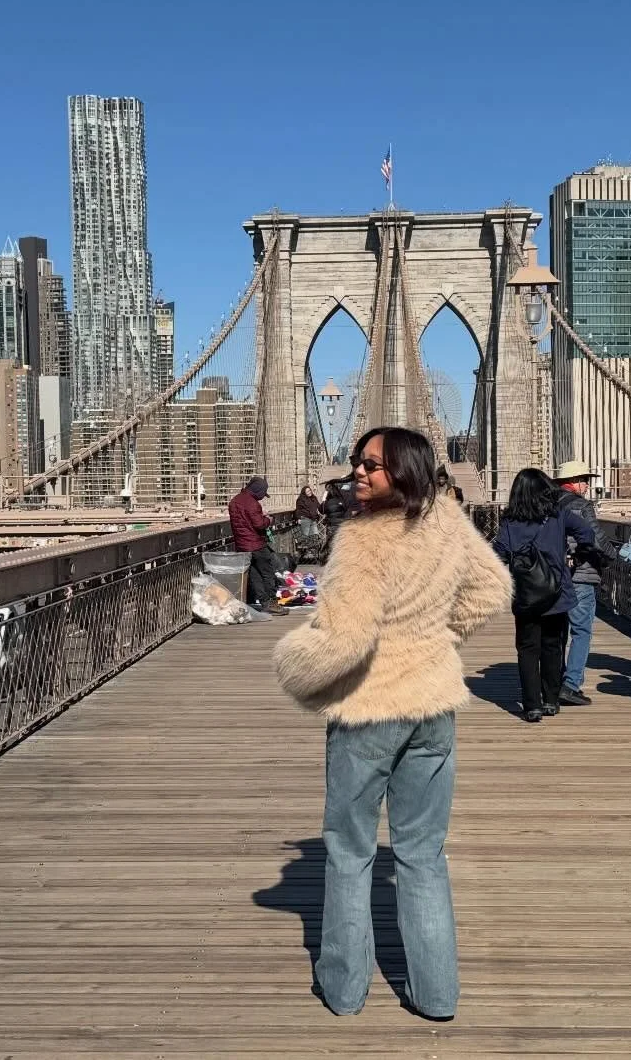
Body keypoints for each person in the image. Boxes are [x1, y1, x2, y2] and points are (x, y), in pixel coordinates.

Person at [273, 426, 512, 1020]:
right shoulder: (449, 523)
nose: (358, 471)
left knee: (350, 855)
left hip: (368, 713)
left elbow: (344, 641)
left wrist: (292, 667)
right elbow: (492, 587)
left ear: (403, 471)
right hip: (433, 706)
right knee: (423, 855)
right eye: (358, 461)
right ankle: (436, 995)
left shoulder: (361, 540)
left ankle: (345, 990)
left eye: (372, 465)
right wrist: (435, 641)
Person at [493, 468, 599, 724]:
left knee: (528, 649)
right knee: (553, 646)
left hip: (527, 595)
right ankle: (551, 700)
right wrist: (577, 555)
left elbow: (498, 554)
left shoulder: (509, 522)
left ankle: (532, 706)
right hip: (556, 591)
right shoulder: (558, 515)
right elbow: (587, 533)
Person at [554, 460, 604, 707]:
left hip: (554, 576)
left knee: (558, 630)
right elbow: (596, 538)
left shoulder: (548, 505)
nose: (587, 485)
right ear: (573, 482)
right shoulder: (583, 506)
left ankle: (553, 681)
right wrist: (613, 557)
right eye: (585, 480)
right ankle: (571, 684)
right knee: (581, 630)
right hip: (582, 574)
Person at [228, 476, 288, 616]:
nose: (262, 497)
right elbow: (259, 524)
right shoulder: (253, 503)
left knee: (255, 576)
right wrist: (268, 519)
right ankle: (272, 603)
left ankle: (264, 602)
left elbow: (244, 522)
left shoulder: (234, 501)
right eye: (262, 494)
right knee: (268, 574)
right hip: (256, 545)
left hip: (242, 546)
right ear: (258, 490)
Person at [320, 478, 353, 561]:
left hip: (331, 525)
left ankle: (331, 559)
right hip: (342, 524)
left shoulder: (327, 503)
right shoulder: (342, 500)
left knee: (331, 543)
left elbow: (321, 510)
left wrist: (324, 499)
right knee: (341, 542)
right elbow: (347, 509)